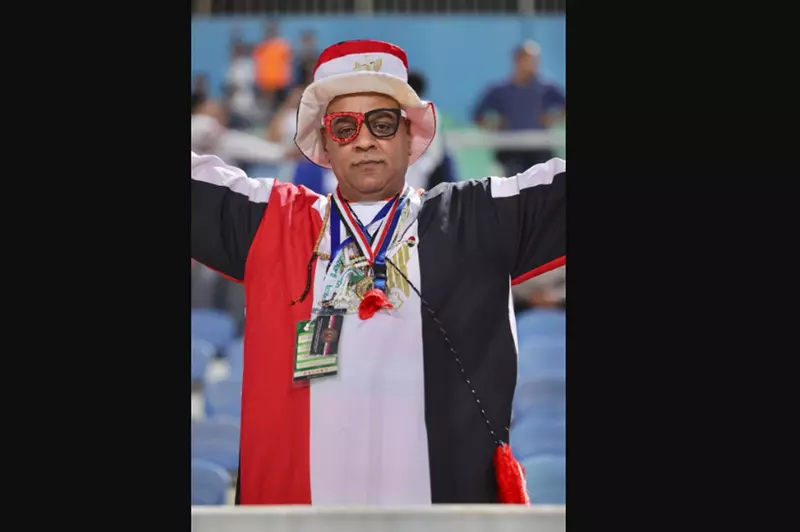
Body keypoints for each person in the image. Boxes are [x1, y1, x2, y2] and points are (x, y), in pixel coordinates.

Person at [191, 39, 566, 506]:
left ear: (410, 136)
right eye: (344, 127)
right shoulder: (270, 222)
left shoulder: (476, 218)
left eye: (383, 123)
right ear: (325, 143)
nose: (364, 140)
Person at [473, 40, 566, 176]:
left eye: (536, 60)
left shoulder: (547, 88)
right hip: (510, 151)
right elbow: (477, 115)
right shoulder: (500, 90)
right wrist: (495, 124)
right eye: (530, 60)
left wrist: (553, 118)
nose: (534, 64)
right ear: (517, 60)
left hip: (539, 149)